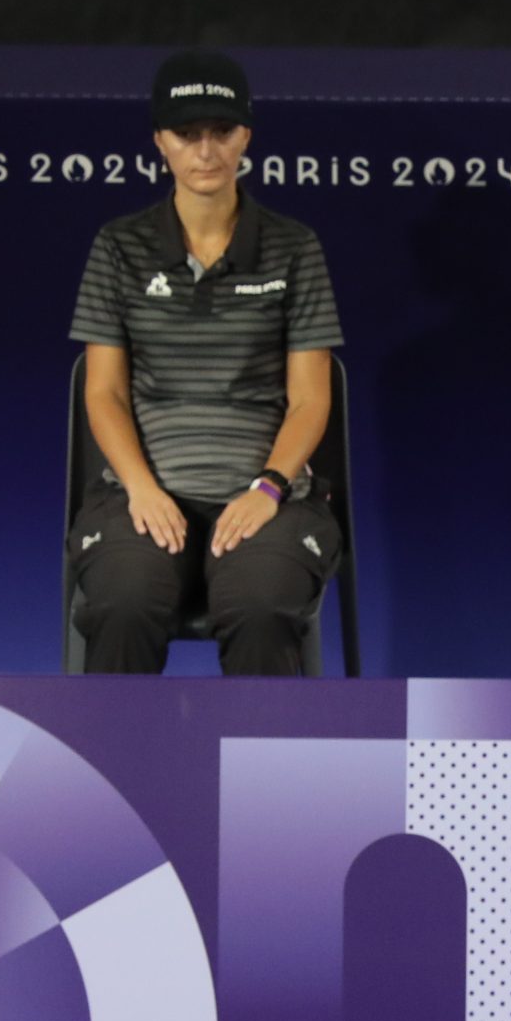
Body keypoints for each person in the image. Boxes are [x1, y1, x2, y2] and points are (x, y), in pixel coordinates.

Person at [68, 52, 344, 676]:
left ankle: (265, 750)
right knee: (124, 603)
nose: (205, 150)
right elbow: (104, 394)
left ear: (246, 136)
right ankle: (115, 746)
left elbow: (312, 399)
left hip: (267, 496)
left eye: (221, 131)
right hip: (143, 492)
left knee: (261, 606)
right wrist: (141, 487)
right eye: (186, 133)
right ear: (159, 142)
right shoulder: (118, 247)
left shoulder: (295, 248)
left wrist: (268, 488)